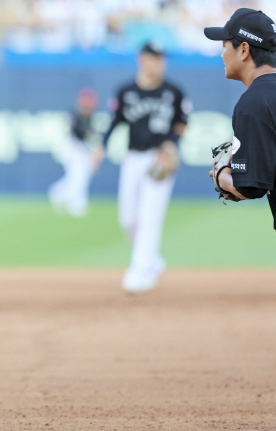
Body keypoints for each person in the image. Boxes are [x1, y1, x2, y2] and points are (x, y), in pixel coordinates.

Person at [204, 10, 276, 332]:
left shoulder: (254, 102)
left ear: (244, 50)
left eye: (225, 43)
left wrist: (221, 173)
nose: (222, 51)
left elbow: (250, 186)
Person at [99, 42, 190, 293]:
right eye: (156, 58)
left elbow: (182, 123)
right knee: (128, 219)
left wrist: (171, 146)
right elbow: (114, 121)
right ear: (142, 60)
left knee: (150, 216)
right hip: (133, 158)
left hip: (160, 159)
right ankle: (152, 261)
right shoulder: (126, 91)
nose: (161, 63)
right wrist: (100, 147)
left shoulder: (174, 91)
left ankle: (140, 273)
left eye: (163, 59)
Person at [48, 88, 103, 217]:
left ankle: (66, 197)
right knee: (77, 175)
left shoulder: (90, 116)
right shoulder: (75, 115)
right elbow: (75, 133)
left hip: (80, 148)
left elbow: (90, 135)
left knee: (82, 174)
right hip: (71, 147)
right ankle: (69, 200)